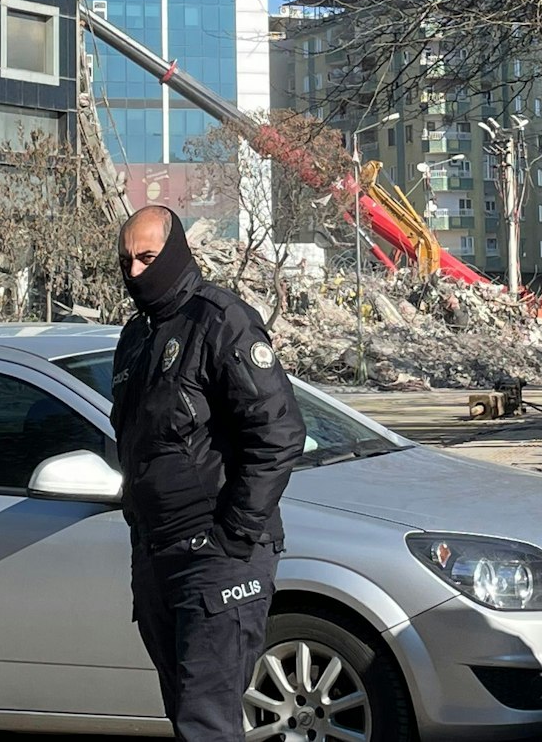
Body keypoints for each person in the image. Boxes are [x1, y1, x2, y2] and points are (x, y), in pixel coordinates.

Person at [110, 206, 306, 741]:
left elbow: (279, 433)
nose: (135, 272)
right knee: (186, 717)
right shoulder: (135, 337)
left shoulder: (221, 320)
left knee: (207, 725)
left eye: (147, 258)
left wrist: (234, 536)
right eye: (126, 261)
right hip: (158, 556)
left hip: (217, 559)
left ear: (174, 253)